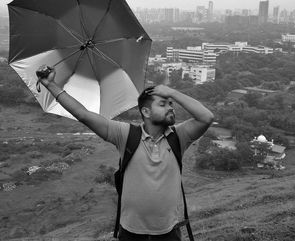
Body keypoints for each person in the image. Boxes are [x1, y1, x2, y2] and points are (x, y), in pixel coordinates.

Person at [38, 66, 214, 241]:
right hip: (131, 233)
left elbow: (206, 117)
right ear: (146, 112)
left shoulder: (179, 137)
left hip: (169, 232)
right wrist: (51, 85)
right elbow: (83, 115)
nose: (170, 108)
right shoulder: (126, 134)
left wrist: (171, 92)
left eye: (171, 104)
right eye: (163, 104)